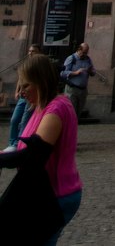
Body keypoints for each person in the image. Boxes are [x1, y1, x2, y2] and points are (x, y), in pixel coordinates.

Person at [0, 50, 84, 242]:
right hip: (42, 193)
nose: (21, 92)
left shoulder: (56, 108)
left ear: (41, 81)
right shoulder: (40, 107)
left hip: (56, 194)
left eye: (26, 85)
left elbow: (33, 154)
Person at [8, 44, 45, 146]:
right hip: (22, 97)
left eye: (33, 51)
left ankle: (19, 144)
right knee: (14, 119)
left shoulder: (39, 66)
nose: (30, 53)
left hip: (32, 98)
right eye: (29, 51)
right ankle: (12, 143)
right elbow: (20, 79)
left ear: (39, 53)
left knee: (25, 121)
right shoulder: (25, 64)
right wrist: (17, 90)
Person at [59, 42, 94, 119]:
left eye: (86, 52)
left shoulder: (88, 60)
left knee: (78, 112)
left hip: (83, 90)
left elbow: (93, 72)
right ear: (79, 49)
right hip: (72, 89)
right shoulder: (71, 58)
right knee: (71, 111)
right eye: (83, 52)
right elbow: (62, 73)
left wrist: (90, 71)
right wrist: (75, 72)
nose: (84, 54)